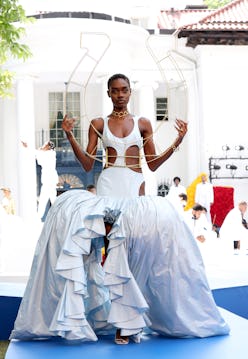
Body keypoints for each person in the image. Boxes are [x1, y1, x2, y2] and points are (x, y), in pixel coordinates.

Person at [10, 190, 230, 344]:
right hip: (109, 193)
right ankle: (117, 324)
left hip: (132, 199)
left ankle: (125, 325)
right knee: (110, 259)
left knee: (126, 266)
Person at [62, 73, 188, 198]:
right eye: (115, 91)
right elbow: (88, 165)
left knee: (136, 216)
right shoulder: (99, 124)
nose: (120, 95)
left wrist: (178, 141)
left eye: (124, 90)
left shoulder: (143, 123)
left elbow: (153, 165)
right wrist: (70, 136)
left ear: (130, 92)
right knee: (109, 217)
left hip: (135, 182)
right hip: (108, 184)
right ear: (108, 93)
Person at [22, 141, 59, 220]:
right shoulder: (47, 154)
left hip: (49, 180)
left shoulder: (50, 154)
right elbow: (39, 158)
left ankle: (38, 217)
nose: (43, 146)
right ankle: (59, 216)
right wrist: (38, 150)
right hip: (49, 180)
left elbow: (38, 155)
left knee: (44, 199)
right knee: (52, 199)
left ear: (49, 147)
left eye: (45, 145)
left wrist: (28, 147)